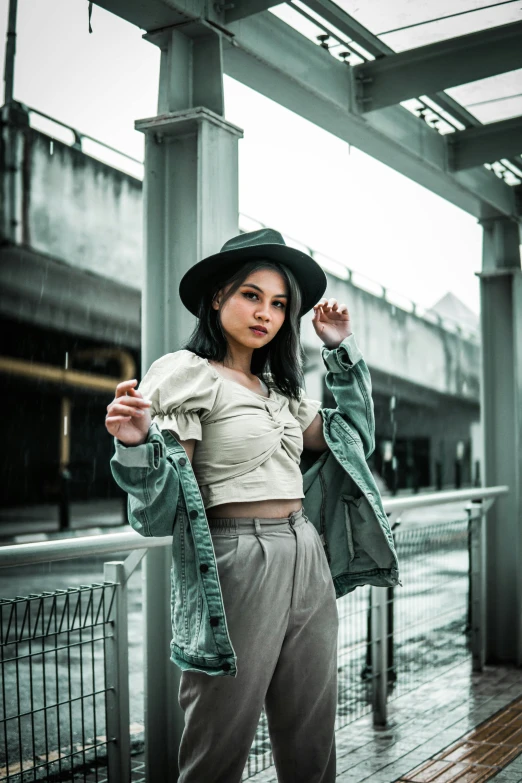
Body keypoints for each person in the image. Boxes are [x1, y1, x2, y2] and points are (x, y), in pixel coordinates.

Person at [106, 228, 399, 783]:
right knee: (220, 739)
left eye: (279, 303)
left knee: (311, 736)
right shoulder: (186, 374)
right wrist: (137, 445)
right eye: (251, 295)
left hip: (305, 551)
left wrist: (340, 351)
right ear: (218, 297)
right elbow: (157, 512)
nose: (266, 313)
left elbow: (352, 444)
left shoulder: (281, 392)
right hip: (236, 558)